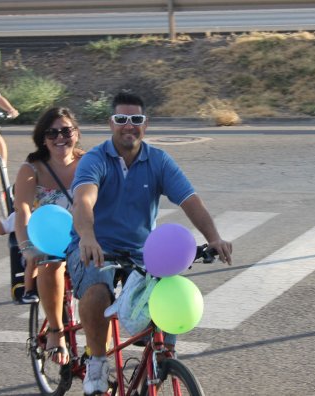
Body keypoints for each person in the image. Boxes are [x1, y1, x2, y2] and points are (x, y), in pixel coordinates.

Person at [67, 91, 232, 395]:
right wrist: (88, 238)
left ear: (146, 124)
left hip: (142, 251)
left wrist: (214, 238)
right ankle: (98, 363)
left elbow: (190, 200)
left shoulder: (158, 160)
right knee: (97, 291)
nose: (128, 125)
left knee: (168, 287)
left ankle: (163, 357)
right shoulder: (96, 158)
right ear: (111, 123)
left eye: (136, 119)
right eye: (121, 119)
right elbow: (83, 200)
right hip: (95, 246)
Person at [14, 107, 84, 365]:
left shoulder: (88, 162)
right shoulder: (32, 169)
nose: (60, 137)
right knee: (51, 264)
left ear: (75, 133)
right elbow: (22, 211)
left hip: (82, 240)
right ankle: (56, 332)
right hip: (46, 243)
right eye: (52, 132)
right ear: (43, 139)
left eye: (66, 131)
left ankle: (98, 357)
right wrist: (27, 248)